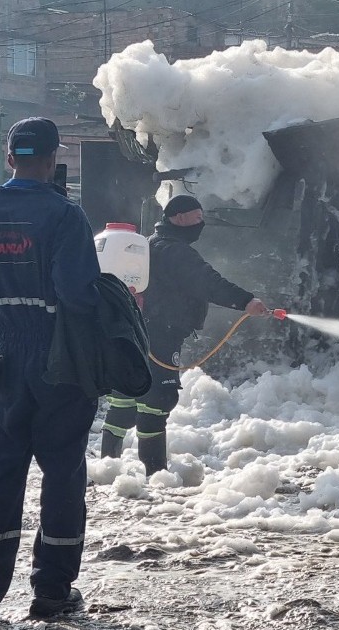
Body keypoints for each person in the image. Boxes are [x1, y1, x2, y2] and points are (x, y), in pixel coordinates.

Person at [0, 117, 100, 624]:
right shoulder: (65, 214)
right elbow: (78, 295)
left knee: (0, 468)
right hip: (58, 357)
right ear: (54, 158)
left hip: (4, 353)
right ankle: (52, 592)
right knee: (62, 472)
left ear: (10, 155)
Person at [100, 194, 268, 474]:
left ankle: (107, 471)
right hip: (161, 335)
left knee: (123, 402)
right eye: (197, 217)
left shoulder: (150, 245)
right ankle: (156, 475)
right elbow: (208, 282)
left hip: (132, 332)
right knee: (158, 400)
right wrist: (246, 301)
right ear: (178, 218)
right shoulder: (174, 250)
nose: (201, 223)